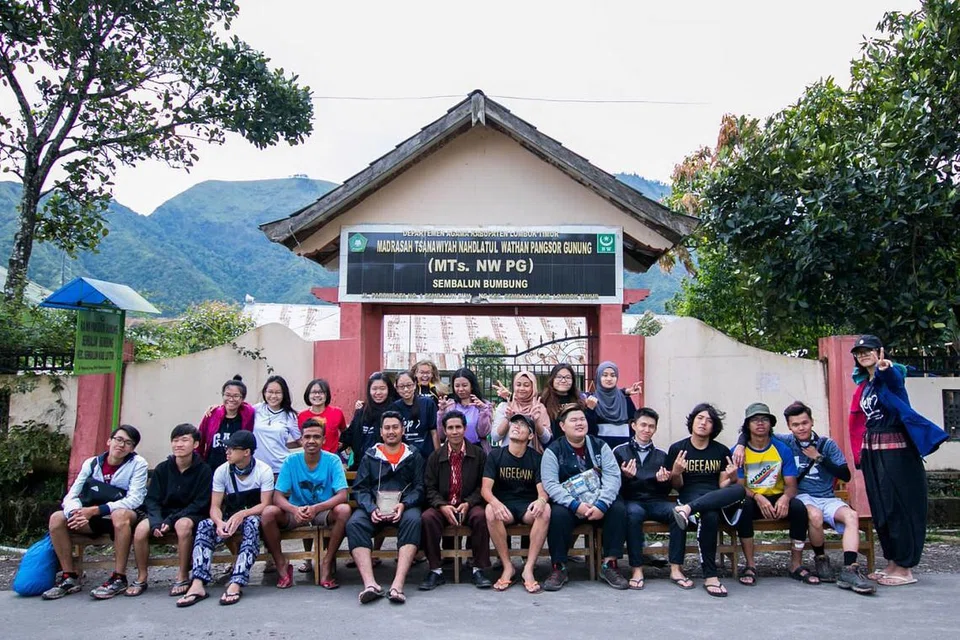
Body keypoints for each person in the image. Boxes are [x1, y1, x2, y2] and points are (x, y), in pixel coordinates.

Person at [849, 335, 947, 587]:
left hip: (896, 453)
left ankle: (905, 568)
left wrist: (886, 368)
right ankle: (893, 561)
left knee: (899, 506)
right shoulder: (867, 385)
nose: (863, 355)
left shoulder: (890, 377)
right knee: (882, 508)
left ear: (880, 352)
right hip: (874, 452)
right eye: (859, 352)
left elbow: (892, 380)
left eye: (867, 350)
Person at [43, 425, 149, 601]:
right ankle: (69, 576)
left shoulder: (138, 464)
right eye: (119, 439)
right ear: (109, 441)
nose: (122, 445)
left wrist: (94, 510)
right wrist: (75, 513)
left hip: (123, 517)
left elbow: (135, 499)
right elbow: (72, 494)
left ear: (132, 449)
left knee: (119, 515)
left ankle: (119, 577)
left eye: (128, 443)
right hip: (91, 517)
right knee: (56, 518)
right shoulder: (92, 463)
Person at [782, 401, 875, 594]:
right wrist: (741, 445)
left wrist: (819, 457)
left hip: (827, 497)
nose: (801, 428)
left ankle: (850, 568)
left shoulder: (827, 444)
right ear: (789, 426)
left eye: (804, 423)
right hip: (803, 497)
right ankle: (821, 558)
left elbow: (845, 475)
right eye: (796, 424)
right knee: (814, 516)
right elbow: (755, 434)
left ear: (812, 422)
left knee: (851, 516)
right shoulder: (786, 442)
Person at [175, 431, 274, 607]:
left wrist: (243, 514)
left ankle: (237, 581)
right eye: (227, 448)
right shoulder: (222, 471)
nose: (227, 452)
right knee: (206, 525)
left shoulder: (263, 470)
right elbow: (215, 506)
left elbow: (265, 504)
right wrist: (219, 522)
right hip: (229, 518)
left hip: (252, 517)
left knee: (251, 524)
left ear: (246, 452)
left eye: (232, 448)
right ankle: (197, 583)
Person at [541, 405, 626, 591]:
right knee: (557, 514)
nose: (579, 423)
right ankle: (559, 567)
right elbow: (550, 484)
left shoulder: (599, 445)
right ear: (562, 426)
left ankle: (610, 564)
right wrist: (575, 505)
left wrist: (602, 504)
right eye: (574, 420)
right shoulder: (553, 450)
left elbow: (613, 476)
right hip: (570, 503)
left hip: (598, 500)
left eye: (582, 419)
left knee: (618, 508)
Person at [346, 410, 425, 605]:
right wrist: (371, 508)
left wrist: (404, 504)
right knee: (355, 523)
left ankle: (397, 585)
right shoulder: (370, 456)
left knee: (414, 520)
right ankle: (370, 584)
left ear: (402, 430)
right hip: (375, 509)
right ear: (381, 432)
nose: (391, 431)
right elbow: (360, 489)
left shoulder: (413, 455)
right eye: (387, 428)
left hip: (403, 508)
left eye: (395, 427)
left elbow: (419, 487)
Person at [261, 418, 351, 589]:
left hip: (323, 510)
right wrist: (293, 509)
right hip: (296, 511)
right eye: (307, 436)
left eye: (317, 437)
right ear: (301, 440)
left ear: (324, 440)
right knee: (268, 513)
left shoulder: (332, 460)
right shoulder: (291, 461)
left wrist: (317, 508)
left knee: (344, 510)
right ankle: (281, 563)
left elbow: (342, 495)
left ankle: (327, 561)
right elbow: (278, 496)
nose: (311, 441)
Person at [733, 402, 816, 586]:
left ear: (771, 423)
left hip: (777, 498)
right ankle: (750, 564)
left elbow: (791, 485)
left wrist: (786, 498)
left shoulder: (782, 449)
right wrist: (757, 497)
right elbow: (738, 486)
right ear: (748, 425)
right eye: (755, 420)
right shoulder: (739, 452)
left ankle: (796, 564)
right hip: (752, 499)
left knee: (799, 508)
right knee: (743, 506)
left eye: (764, 419)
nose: (760, 423)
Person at [668, 403, 745, 597]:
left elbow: (721, 487)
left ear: (714, 427)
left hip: (713, 497)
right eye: (700, 418)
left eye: (709, 420)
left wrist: (732, 477)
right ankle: (711, 576)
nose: (703, 423)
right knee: (709, 516)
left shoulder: (721, 451)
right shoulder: (678, 449)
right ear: (692, 421)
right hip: (689, 496)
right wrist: (676, 473)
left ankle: (687, 510)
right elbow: (677, 486)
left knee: (740, 489)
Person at [127, 424, 212, 598]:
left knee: (183, 526)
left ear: (195, 445)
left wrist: (171, 521)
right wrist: (157, 521)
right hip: (163, 513)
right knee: (141, 530)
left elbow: (200, 503)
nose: (178, 444)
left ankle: (182, 575)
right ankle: (142, 576)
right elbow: (152, 500)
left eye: (184, 440)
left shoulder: (204, 470)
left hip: (190, 514)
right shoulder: (162, 469)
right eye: (175, 440)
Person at [612, 407, 685, 590]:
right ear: (633, 426)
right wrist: (625, 477)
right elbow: (612, 485)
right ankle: (637, 569)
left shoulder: (662, 455)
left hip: (656, 501)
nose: (646, 430)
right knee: (633, 515)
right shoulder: (620, 452)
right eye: (643, 425)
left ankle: (676, 567)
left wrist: (664, 480)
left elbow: (668, 486)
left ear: (655, 429)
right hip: (632, 501)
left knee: (678, 513)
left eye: (651, 426)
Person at [420, 410, 492, 590]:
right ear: (444, 431)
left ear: (465, 428)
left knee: (481, 517)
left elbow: (482, 486)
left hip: (469, 504)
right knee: (427, 518)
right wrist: (442, 506)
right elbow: (429, 487)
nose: (454, 432)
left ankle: (478, 569)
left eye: (458, 427)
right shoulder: (435, 457)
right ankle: (435, 570)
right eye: (450, 428)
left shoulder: (478, 454)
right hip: (443, 506)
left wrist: (468, 503)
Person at [482, 414, 550, 594]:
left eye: (522, 424)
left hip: (527, 506)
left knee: (546, 510)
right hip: (504, 506)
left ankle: (528, 567)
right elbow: (486, 490)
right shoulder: (495, 455)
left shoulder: (536, 458)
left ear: (530, 436)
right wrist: (495, 503)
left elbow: (542, 490)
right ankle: (507, 566)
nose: (516, 426)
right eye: (514, 423)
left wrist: (541, 500)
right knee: (490, 510)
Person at [340, 372, 397, 471]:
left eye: (382, 389)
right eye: (374, 389)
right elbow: (348, 436)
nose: (378, 392)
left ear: (389, 390)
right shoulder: (362, 411)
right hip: (361, 467)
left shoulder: (395, 411)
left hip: (387, 468)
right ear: (369, 390)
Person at [198, 374, 255, 470]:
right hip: (211, 468)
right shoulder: (211, 414)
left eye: (236, 396)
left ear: (243, 399)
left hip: (237, 469)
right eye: (227, 395)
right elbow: (199, 440)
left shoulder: (248, 414)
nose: (231, 399)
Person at [253, 375, 302, 475]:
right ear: (264, 392)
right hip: (257, 469)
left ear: (284, 394)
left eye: (278, 392)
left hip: (280, 470)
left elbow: (300, 441)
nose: (273, 396)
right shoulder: (256, 409)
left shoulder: (290, 416)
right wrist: (217, 408)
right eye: (270, 392)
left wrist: (283, 445)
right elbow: (236, 409)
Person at [491, 371, 552, 452]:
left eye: (526, 385)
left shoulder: (539, 408)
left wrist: (536, 422)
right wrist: (507, 419)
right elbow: (495, 437)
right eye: (518, 385)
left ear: (533, 387)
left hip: (533, 458)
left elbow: (546, 439)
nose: (522, 388)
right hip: (507, 458)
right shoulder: (505, 406)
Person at [586, 361, 641, 449]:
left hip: (625, 450)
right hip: (601, 449)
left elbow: (634, 424)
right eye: (604, 375)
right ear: (598, 377)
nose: (609, 379)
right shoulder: (592, 401)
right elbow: (589, 429)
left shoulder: (625, 399)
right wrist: (590, 410)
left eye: (613, 375)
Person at [437, 367, 492, 450]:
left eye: (465, 385)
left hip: (476, 450)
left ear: (472, 386)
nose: (461, 389)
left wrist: (483, 411)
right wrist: (441, 412)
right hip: (453, 450)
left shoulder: (483, 405)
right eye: (457, 386)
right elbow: (441, 435)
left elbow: (483, 433)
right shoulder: (449, 406)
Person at [540, 363, 597, 440]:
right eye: (559, 377)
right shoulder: (543, 400)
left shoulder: (581, 400)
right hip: (553, 447)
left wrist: (590, 410)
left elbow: (591, 431)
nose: (563, 380)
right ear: (552, 379)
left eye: (568, 377)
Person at [392, 370, 440, 458]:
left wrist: (437, 457)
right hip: (404, 458)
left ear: (415, 385)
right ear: (397, 388)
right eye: (402, 386)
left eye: (409, 385)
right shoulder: (394, 407)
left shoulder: (428, 404)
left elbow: (434, 432)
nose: (406, 389)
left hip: (426, 456)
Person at [297, 378, 347, 454]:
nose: (317, 395)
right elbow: (301, 438)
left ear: (327, 395)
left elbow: (345, 431)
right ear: (308, 395)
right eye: (313, 392)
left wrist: (342, 443)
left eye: (321, 392)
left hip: (332, 457)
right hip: (311, 457)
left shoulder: (337, 412)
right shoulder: (301, 416)